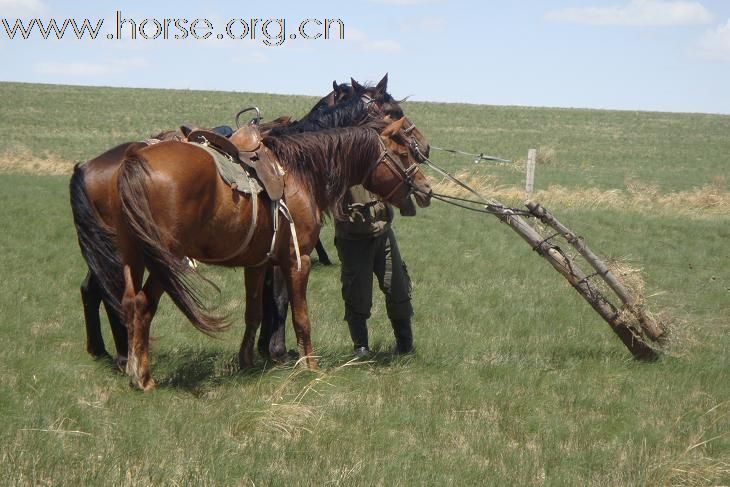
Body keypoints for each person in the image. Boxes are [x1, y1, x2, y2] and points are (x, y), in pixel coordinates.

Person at [334, 185, 415, 358]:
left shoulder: (377, 158)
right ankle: (361, 348)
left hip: (383, 232)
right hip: (353, 238)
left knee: (397, 286)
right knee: (357, 293)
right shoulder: (339, 160)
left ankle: (405, 345)